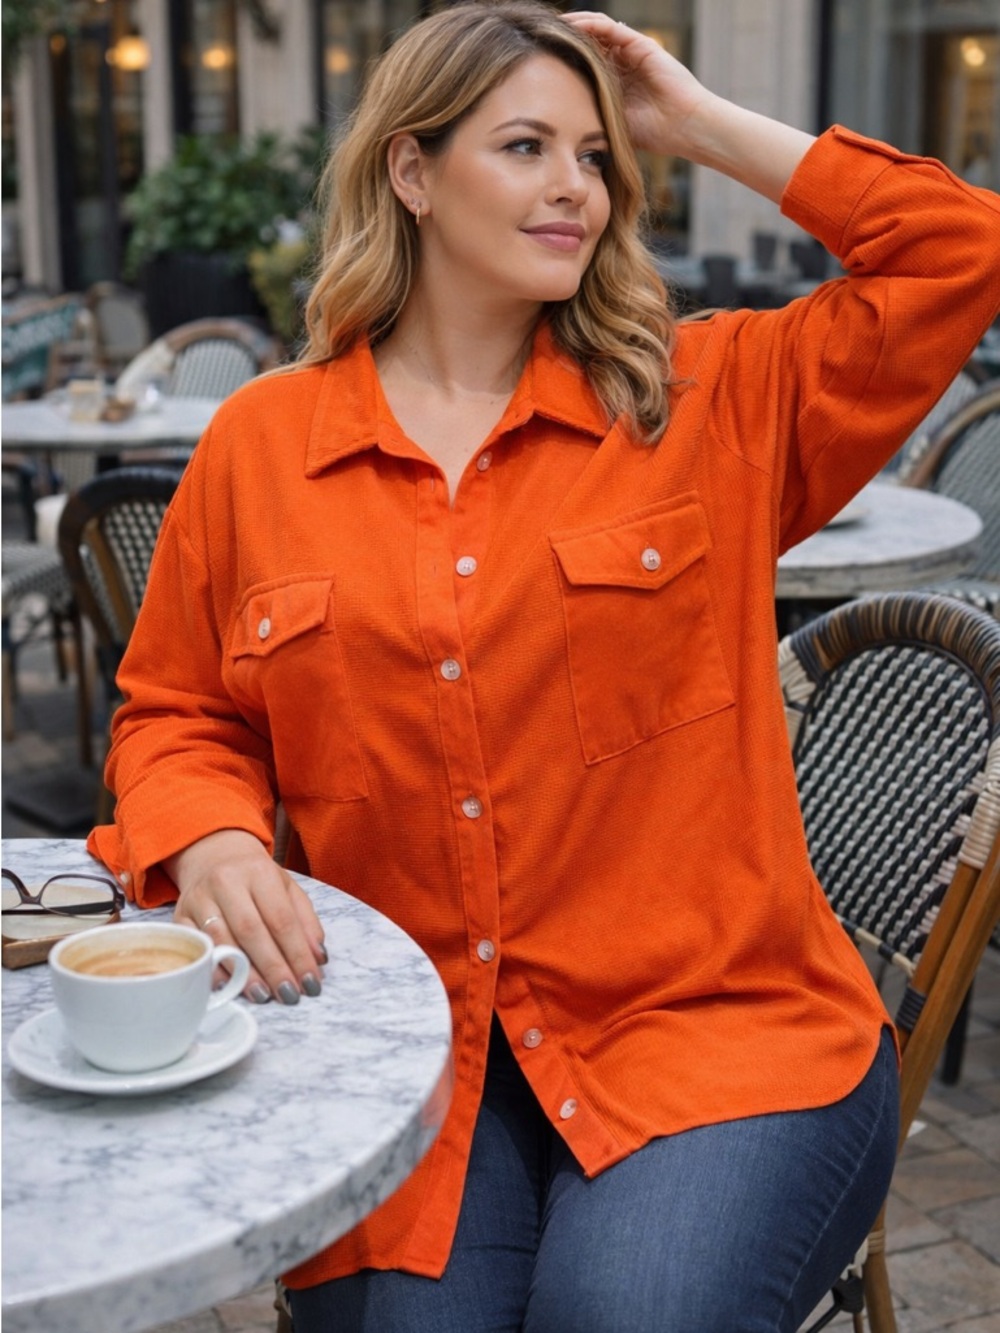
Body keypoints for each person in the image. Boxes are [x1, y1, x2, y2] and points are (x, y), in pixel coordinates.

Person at [88, 3, 1000, 1329]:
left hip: (715, 1033)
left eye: (594, 155)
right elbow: (176, 712)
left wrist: (691, 122)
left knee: (625, 1315)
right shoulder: (259, 446)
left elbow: (958, 254)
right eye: (526, 146)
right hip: (409, 1051)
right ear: (412, 171)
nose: (575, 183)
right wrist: (218, 843)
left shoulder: (703, 400)